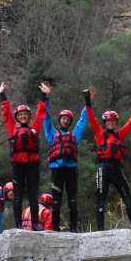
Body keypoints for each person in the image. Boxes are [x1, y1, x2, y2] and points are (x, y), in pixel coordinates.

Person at [85, 87, 131, 230]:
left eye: (112, 121)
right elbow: (90, 117)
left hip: (117, 168)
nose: (110, 123)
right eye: (108, 121)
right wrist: (88, 101)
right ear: (105, 122)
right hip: (103, 167)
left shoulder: (120, 134)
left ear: (115, 122)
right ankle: (100, 231)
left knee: (127, 197)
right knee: (101, 200)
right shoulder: (99, 132)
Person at [41, 81, 90, 232]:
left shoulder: (74, 135)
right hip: (57, 170)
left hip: (71, 171)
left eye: (68, 119)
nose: (66, 120)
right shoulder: (52, 134)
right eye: (63, 118)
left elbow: (83, 120)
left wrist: (87, 102)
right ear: (60, 119)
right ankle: (55, 228)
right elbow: (45, 118)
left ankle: (73, 228)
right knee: (56, 201)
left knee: (72, 201)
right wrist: (45, 98)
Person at [0, 81, 48, 230]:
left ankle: (34, 224)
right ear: (17, 117)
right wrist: (2, 95)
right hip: (18, 166)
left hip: (32, 165)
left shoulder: (34, 129)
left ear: (28, 116)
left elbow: (40, 113)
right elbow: (6, 113)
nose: (23, 116)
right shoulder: (13, 129)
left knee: (33, 195)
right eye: (20, 115)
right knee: (18, 196)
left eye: (25, 114)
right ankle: (19, 225)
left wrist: (44, 95)